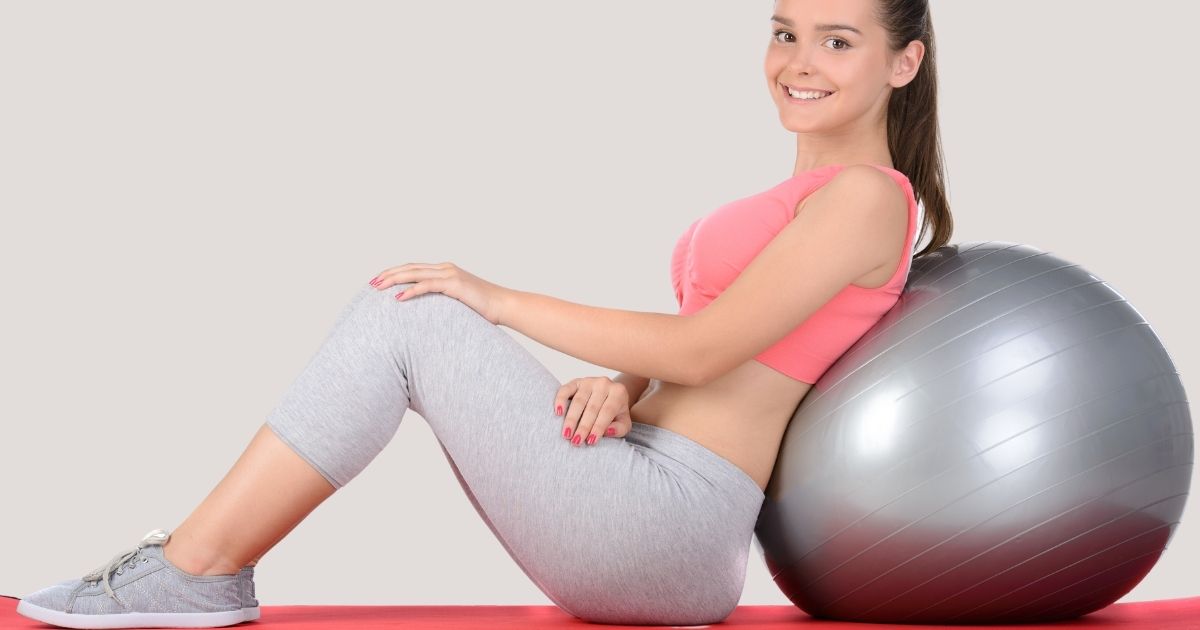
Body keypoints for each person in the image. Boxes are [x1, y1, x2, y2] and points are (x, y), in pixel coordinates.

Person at [17, 0, 952, 627]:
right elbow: (726, 332)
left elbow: (704, 350)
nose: (798, 62)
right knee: (410, 310)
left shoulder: (868, 199)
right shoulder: (809, 195)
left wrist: (494, 297)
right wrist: (623, 387)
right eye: (784, 32)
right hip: (641, 486)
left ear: (904, 61)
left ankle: (194, 571)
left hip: (667, 522)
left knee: (410, 314)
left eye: (838, 40)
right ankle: (191, 568)